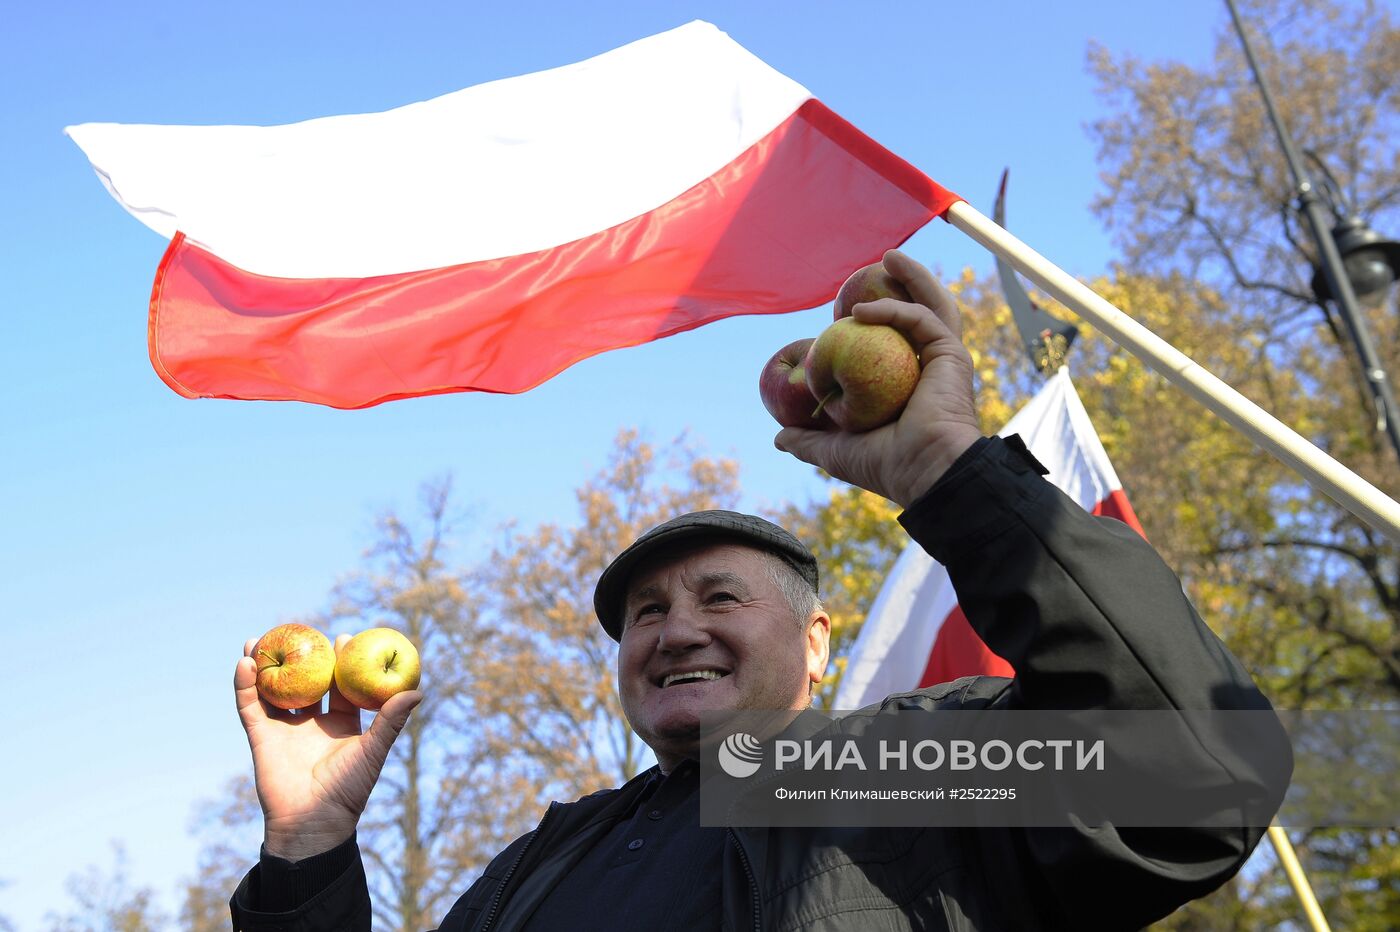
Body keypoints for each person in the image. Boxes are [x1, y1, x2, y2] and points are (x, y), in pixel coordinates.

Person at [228, 250, 1290, 930]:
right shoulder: (538, 866)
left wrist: (948, 475)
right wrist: (309, 848)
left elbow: (1192, 779)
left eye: (719, 597)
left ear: (818, 644)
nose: (674, 628)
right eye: (646, 613)